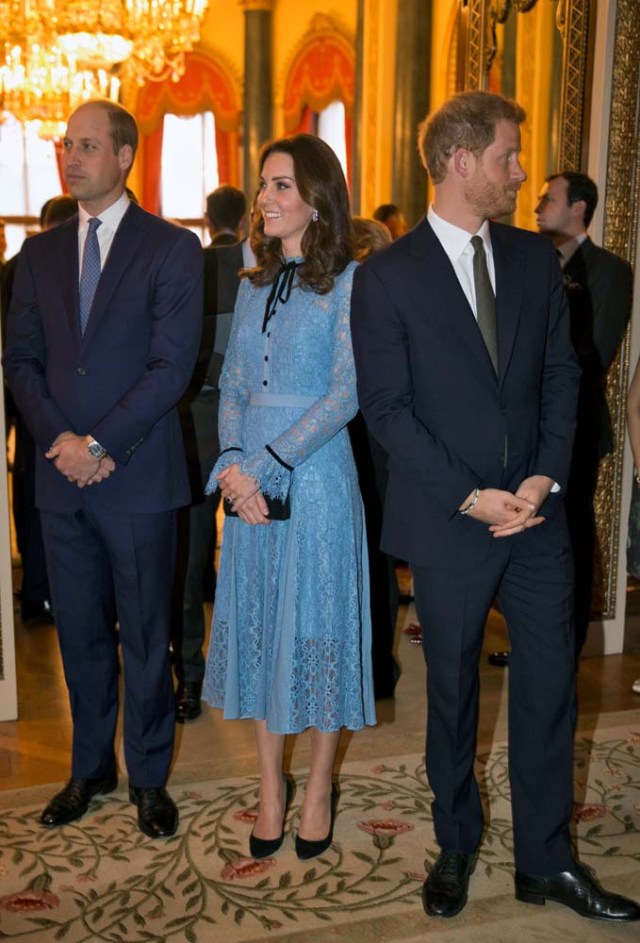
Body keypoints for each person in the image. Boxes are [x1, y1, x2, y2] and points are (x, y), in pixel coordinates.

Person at [351, 90, 640, 923]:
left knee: (551, 688)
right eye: (510, 157)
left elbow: (562, 376)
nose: (521, 172)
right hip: (450, 522)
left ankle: (547, 860)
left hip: (538, 519)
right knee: (451, 696)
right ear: (461, 161)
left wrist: (544, 480)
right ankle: (455, 841)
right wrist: (474, 496)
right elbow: (388, 409)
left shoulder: (531, 257)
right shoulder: (386, 276)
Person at [3, 99, 203, 839]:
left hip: (139, 476)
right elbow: (20, 359)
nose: (71, 157)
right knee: (80, 632)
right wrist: (61, 439)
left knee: (149, 634)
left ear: (124, 155)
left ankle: (149, 775)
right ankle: (91, 768)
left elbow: (170, 366)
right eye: (65, 145)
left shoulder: (170, 248)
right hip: (60, 478)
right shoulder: (40, 255)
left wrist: (99, 444)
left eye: (88, 146)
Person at [203, 133, 375, 862]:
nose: (264, 200)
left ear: (316, 195)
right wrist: (235, 465)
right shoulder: (249, 284)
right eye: (263, 186)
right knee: (268, 631)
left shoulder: (353, 282)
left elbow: (348, 391)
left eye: (279, 186)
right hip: (251, 488)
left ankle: (319, 788)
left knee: (318, 635)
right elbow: (234, 384)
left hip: (319, 478)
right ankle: (271, 786)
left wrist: (269, 463)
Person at [535, 172, 633, 658]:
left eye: (547, 199)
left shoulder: (611, 271)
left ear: (578, 208)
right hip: (525, 429)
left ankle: (565, 652)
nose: (536, 205)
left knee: (570, 537)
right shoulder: (527, 260)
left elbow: (594, 351)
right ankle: (536, 642)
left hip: (577, 428)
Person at [172, 232, 250, 722]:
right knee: (189, 563)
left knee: (257, 568)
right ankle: (189, 674)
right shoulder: (205, 266)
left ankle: (249, 673)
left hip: (268, 443)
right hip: (197, 436)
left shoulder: (306, 271)